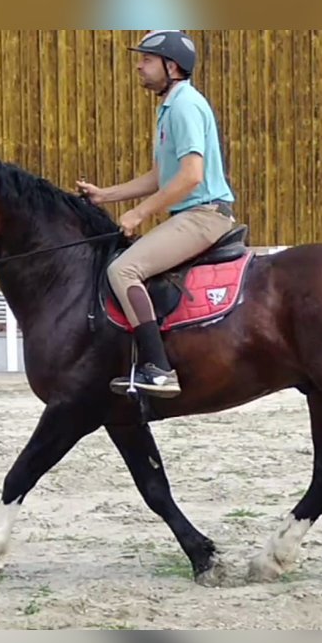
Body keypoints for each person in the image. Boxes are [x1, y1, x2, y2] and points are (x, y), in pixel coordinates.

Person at [77, 30, 236, 398]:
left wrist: (139, 214)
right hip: (189, 214)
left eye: (147, 60)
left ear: (172, 67)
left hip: (203, 215)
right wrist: (106, 196)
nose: (139, 66)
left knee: (123, 269)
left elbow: (192, 176)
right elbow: (160, 175)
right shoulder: (170, 108)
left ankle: (158, 368)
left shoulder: (184, 106)